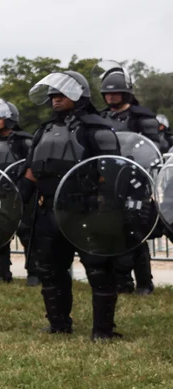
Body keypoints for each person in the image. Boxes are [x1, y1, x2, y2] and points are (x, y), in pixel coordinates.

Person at [20, 70, 123, 340]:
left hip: (85, 208)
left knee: (99, 269)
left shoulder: (95, 128)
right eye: (52, 94)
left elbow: (110, 171)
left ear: (79, 95)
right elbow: (32, 170)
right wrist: (19, 199)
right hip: (48, 210)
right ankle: (59, 323)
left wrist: (105, 207)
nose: (55, 99)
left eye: (61, 93)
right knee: (50, 269)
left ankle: (103, 331)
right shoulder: (44, 129)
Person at [98, 63, 160, 295]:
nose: (111, 96)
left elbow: (155, 148)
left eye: (115, 92)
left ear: (126, 93)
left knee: (135, 231)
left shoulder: (142, 117)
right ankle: (121, 283)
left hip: (136, 183)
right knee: (113, 230)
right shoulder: (101, 118)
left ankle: (144, 283)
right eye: (107, 93)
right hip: (109, 182)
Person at [0, 100, 37, 285]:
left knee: (27, 232)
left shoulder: (25, 141)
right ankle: (4, 273)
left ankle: (34, 274)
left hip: (23, 193)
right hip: (1, 193)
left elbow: (33, 166)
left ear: (10, 119)